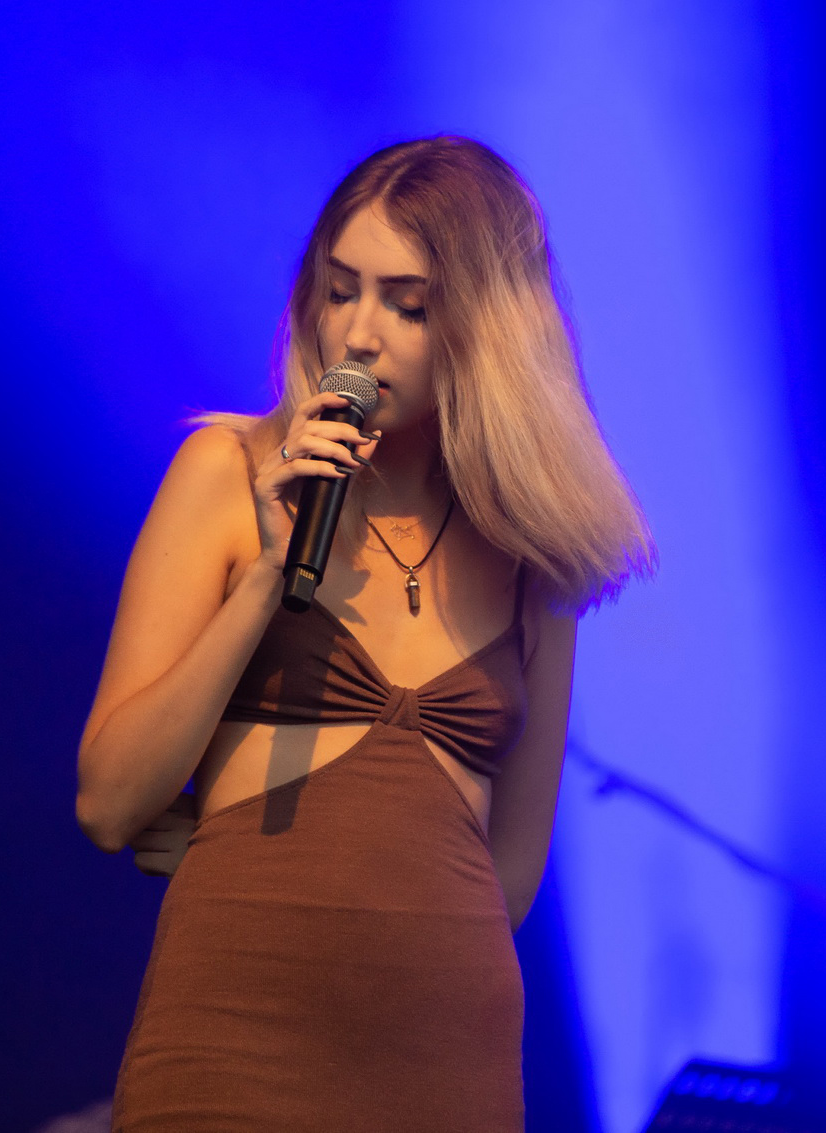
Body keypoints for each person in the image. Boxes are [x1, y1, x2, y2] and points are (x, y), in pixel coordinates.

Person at [76, 136, 653, 1130]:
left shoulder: (532, 548)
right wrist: (267, 579)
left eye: (407, 304)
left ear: (485, 326)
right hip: (235, 1034)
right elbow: (109, 801)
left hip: (443, 1057)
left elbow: (510, 872)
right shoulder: (226, 473)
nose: (358, 332)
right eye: (340, 290)